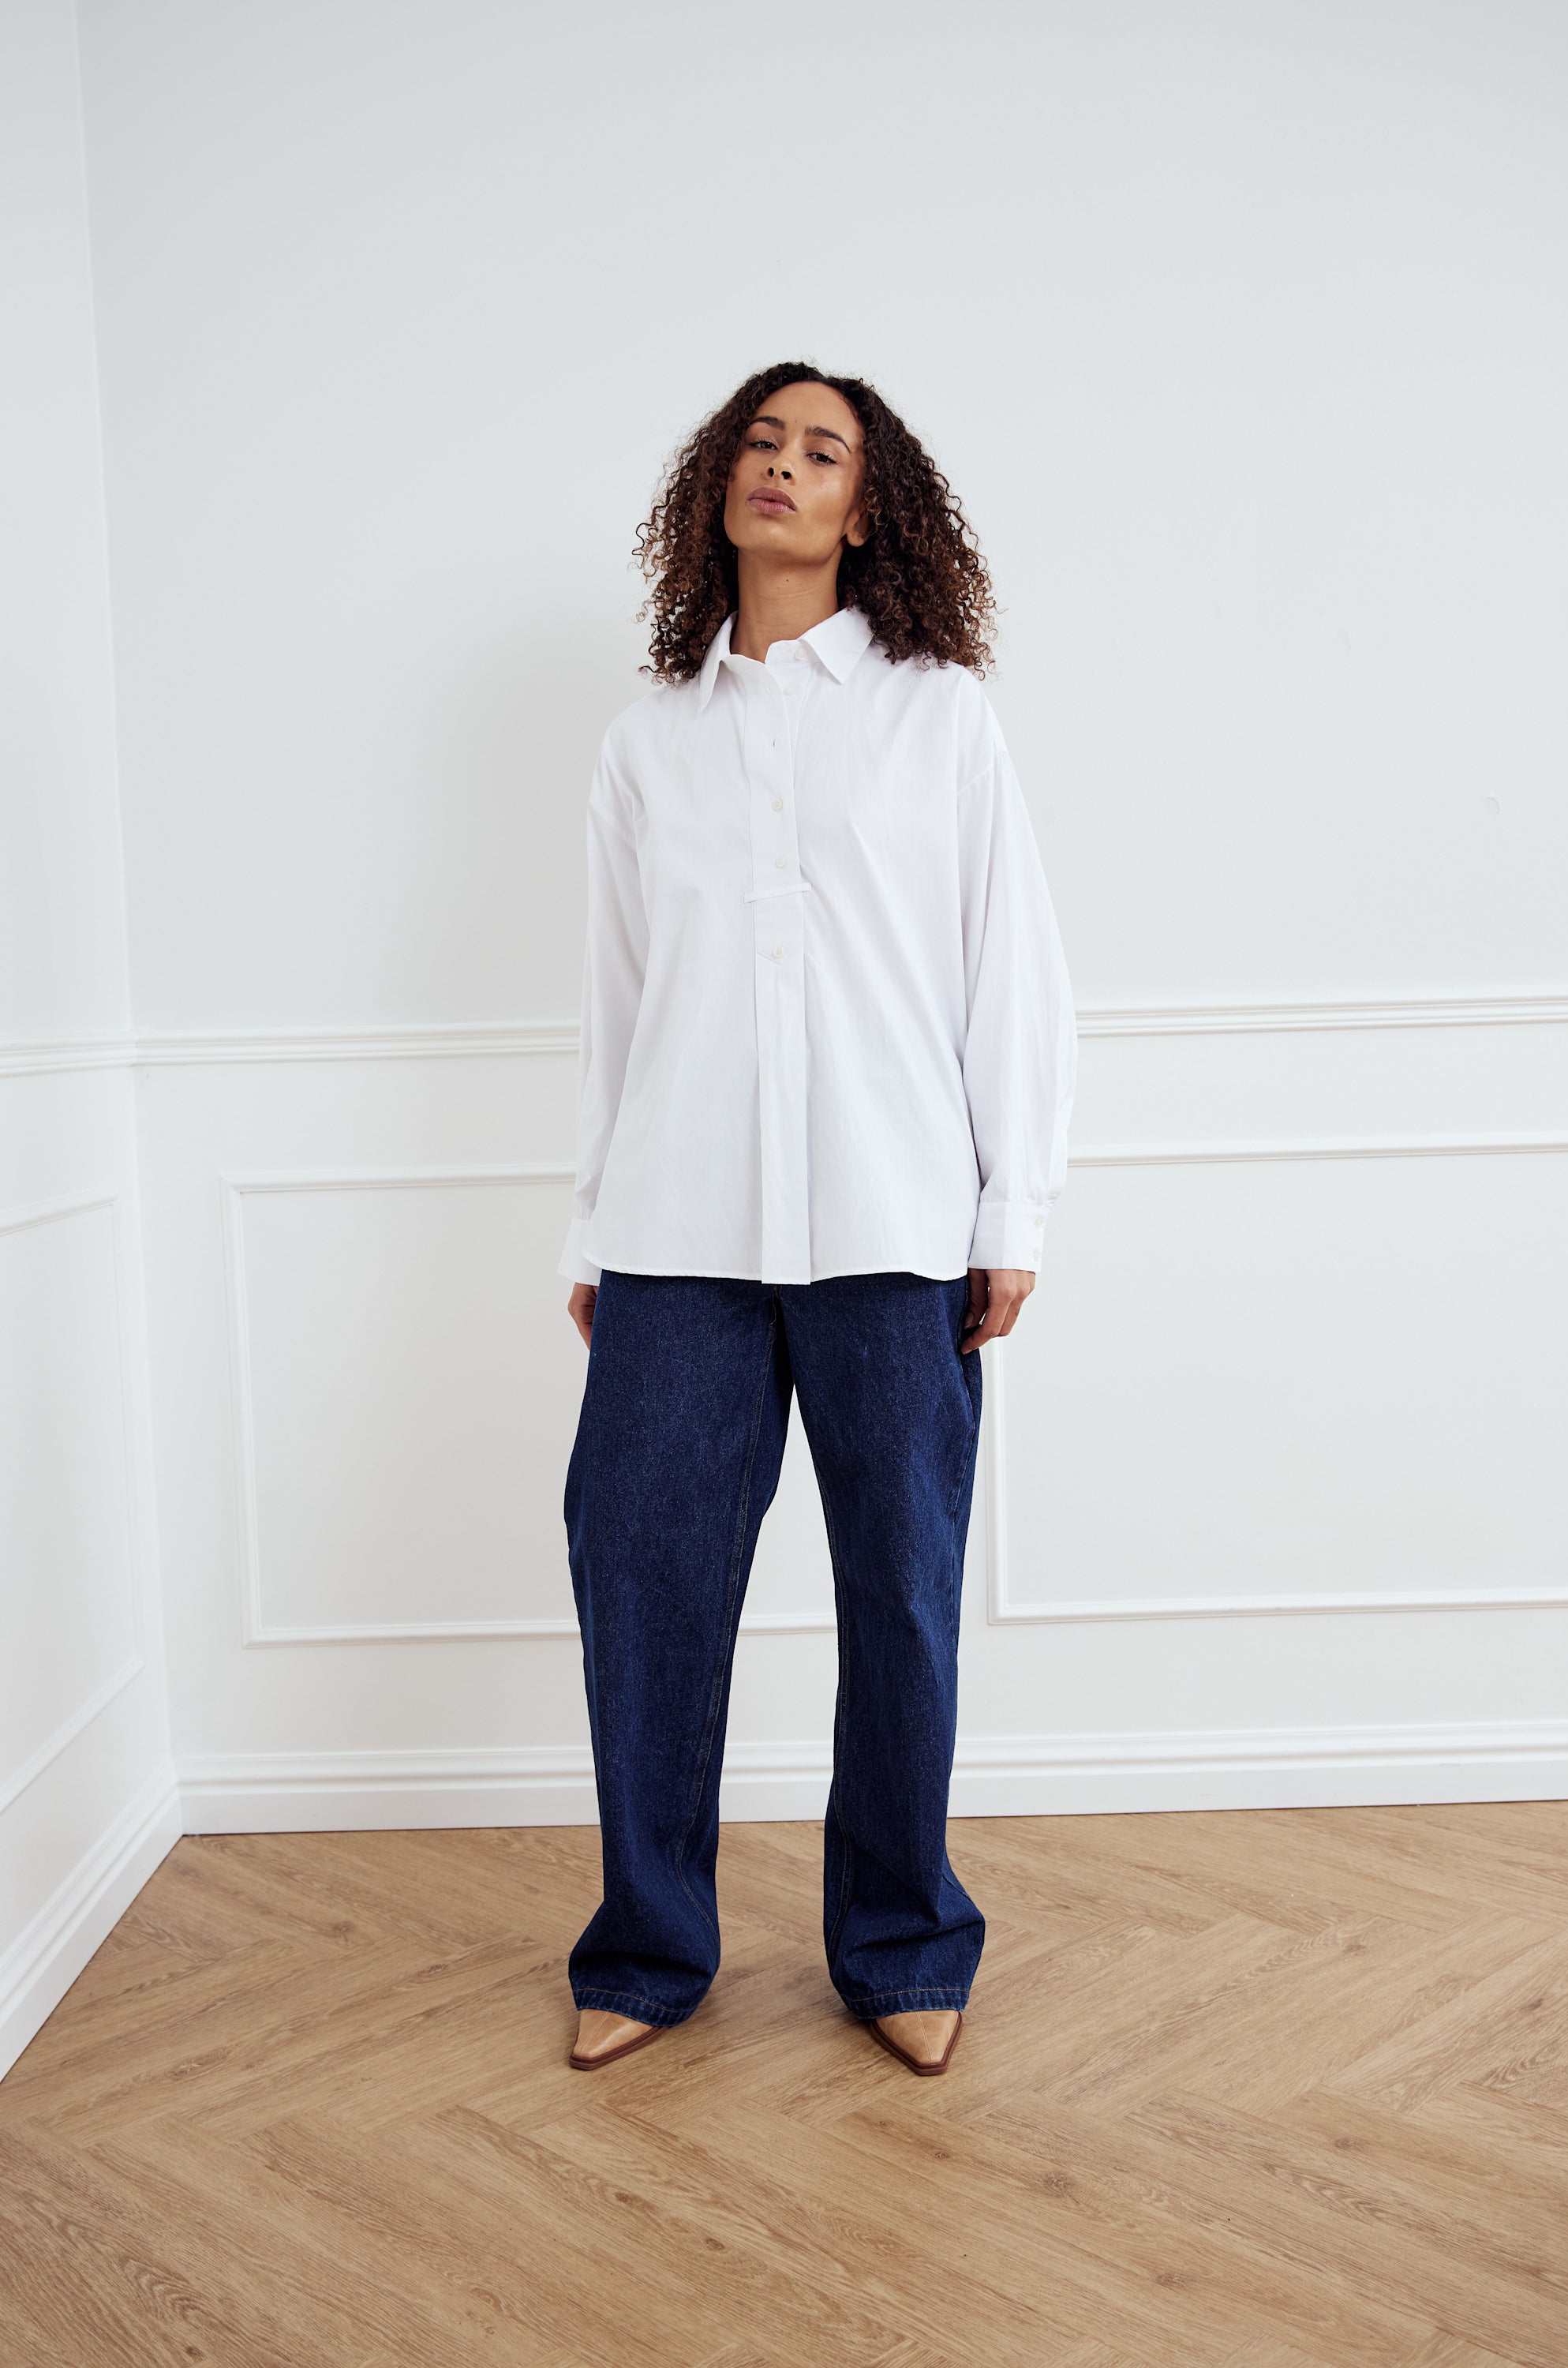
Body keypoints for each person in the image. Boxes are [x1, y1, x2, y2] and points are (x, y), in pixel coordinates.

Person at [556, 362, 1076, 2076]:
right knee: (639, 1578)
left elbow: (1010, 971)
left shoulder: (941, 717)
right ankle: (647, 1951)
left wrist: (1011, 1207)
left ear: (868, 509)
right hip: (677, 1229)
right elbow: (615, 1005)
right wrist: (589, 1231)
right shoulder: (647, 742)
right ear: (718, 485)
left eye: (822, 450)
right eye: (759, 443)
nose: (781, 466)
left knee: (902, 1591)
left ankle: (903, 1945)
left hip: (893, 1218)